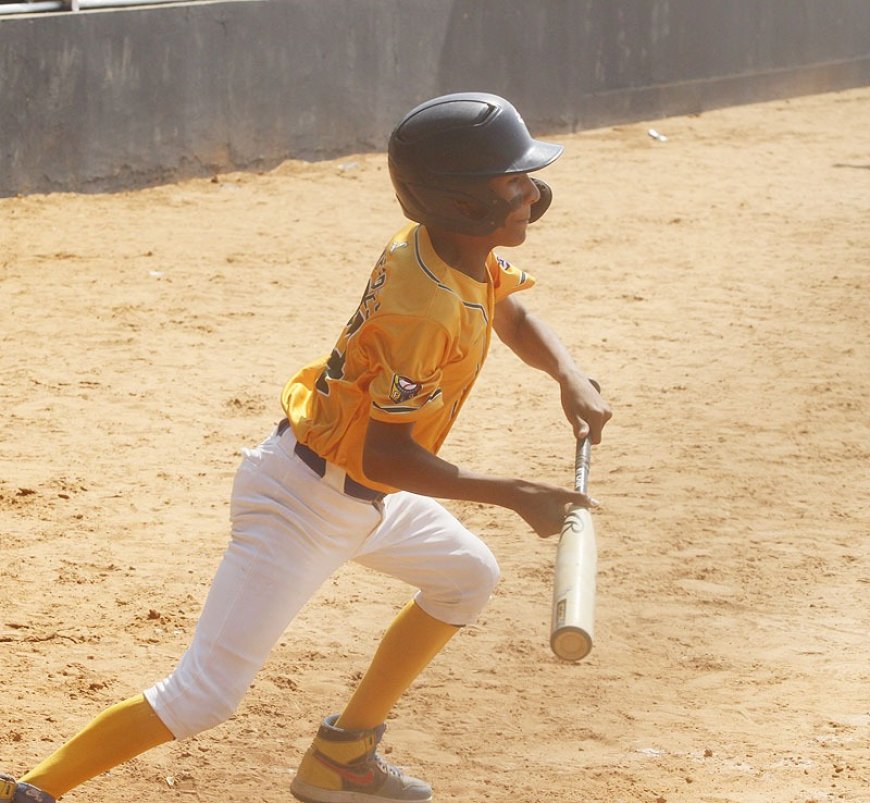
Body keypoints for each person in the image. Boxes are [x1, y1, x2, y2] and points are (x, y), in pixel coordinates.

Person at [2, 91, 611, 803]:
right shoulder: (425, 310)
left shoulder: (448, 250)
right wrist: (515, 494)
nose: (531, 192)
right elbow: (387, 456)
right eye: (512, 180)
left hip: (358, 493)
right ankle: (29, 791)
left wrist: (568, 374)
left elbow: (508, 308)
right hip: (302, 500)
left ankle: (342, 756)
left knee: (466, 575)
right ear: (459, 201)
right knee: (202, 696)